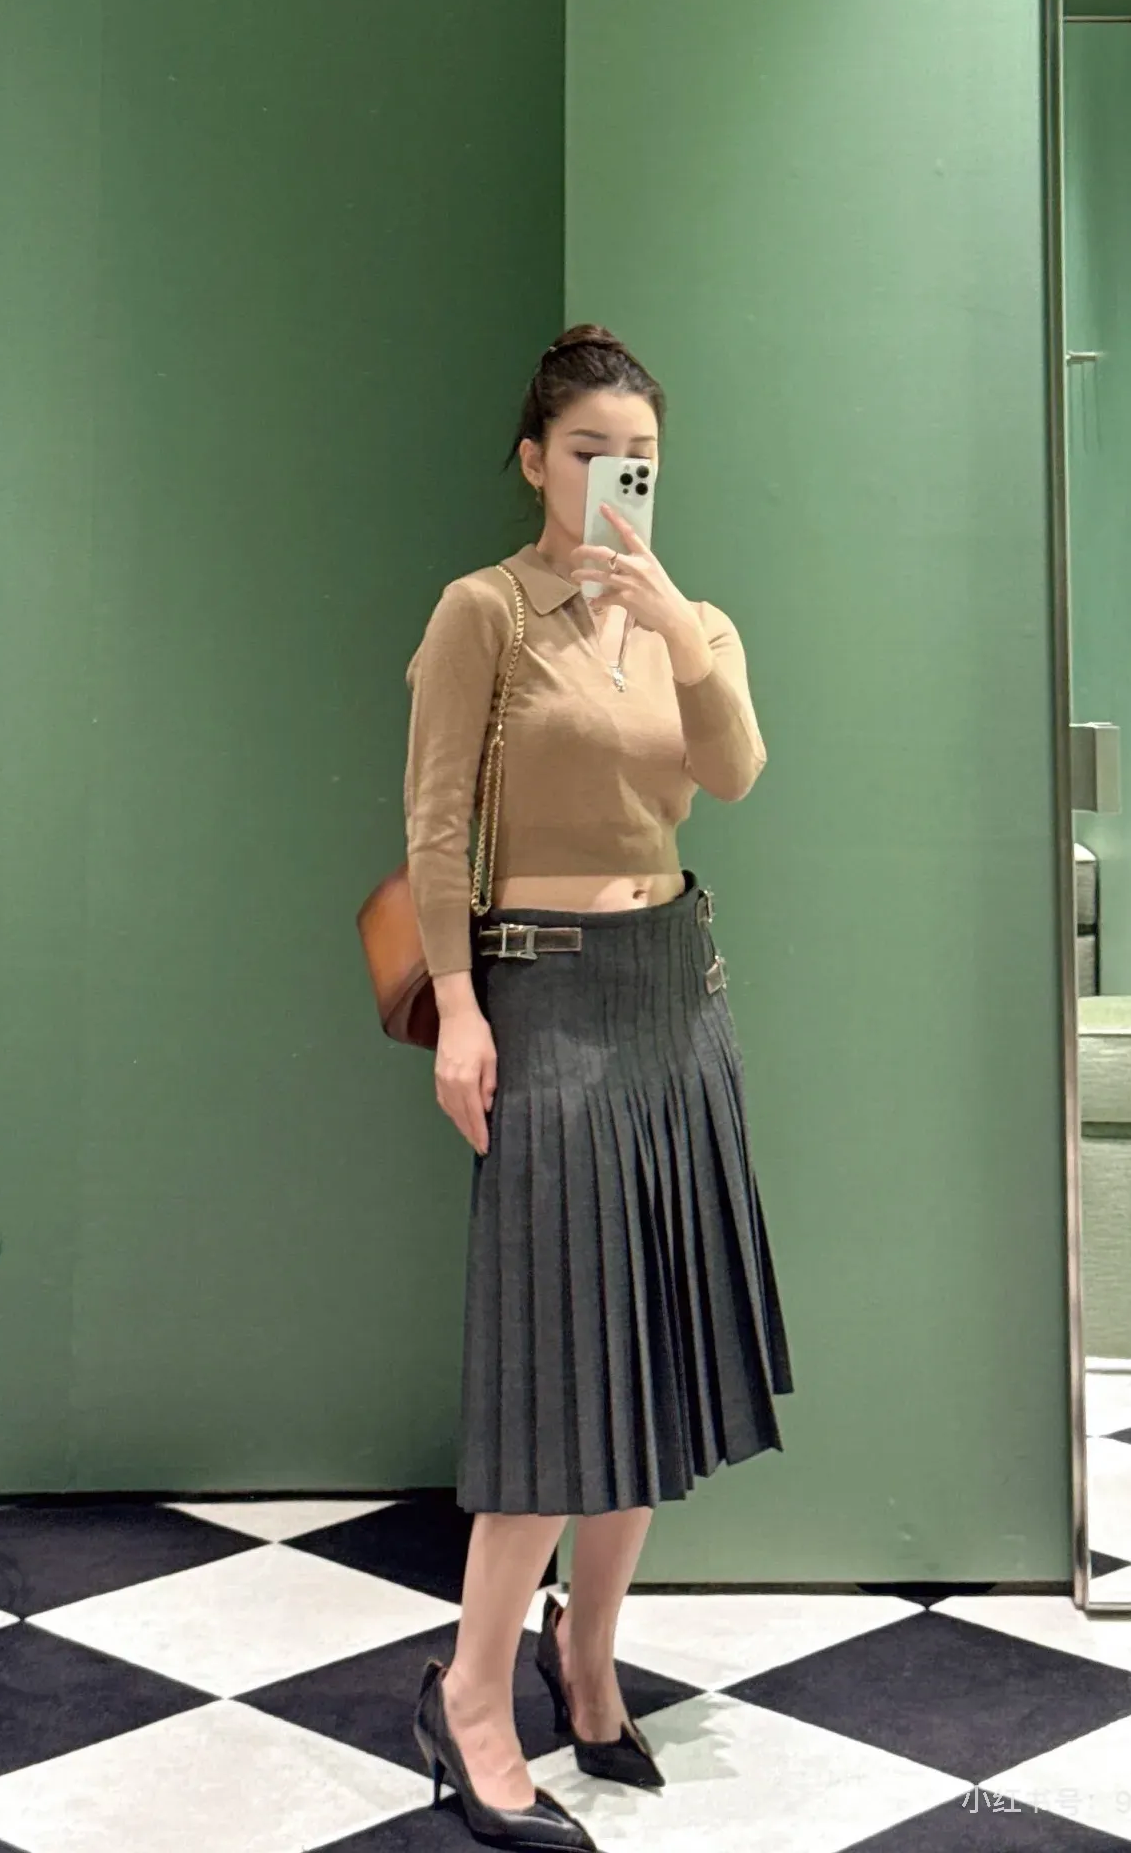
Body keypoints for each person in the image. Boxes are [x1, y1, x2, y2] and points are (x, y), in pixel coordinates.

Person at [403, 324, 794, 1850]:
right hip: (543, 995)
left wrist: (675, 627)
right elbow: (438, 827)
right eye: (587, 453)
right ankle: (467, 1697)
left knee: (649, 1365)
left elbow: (737, 774)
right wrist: (457, 1006)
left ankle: (588, 1656)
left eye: (640, 459)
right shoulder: (483, 613)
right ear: (532, 460)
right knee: (557, 1370)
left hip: (674, 994)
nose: (615, 478)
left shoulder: (695, 621)